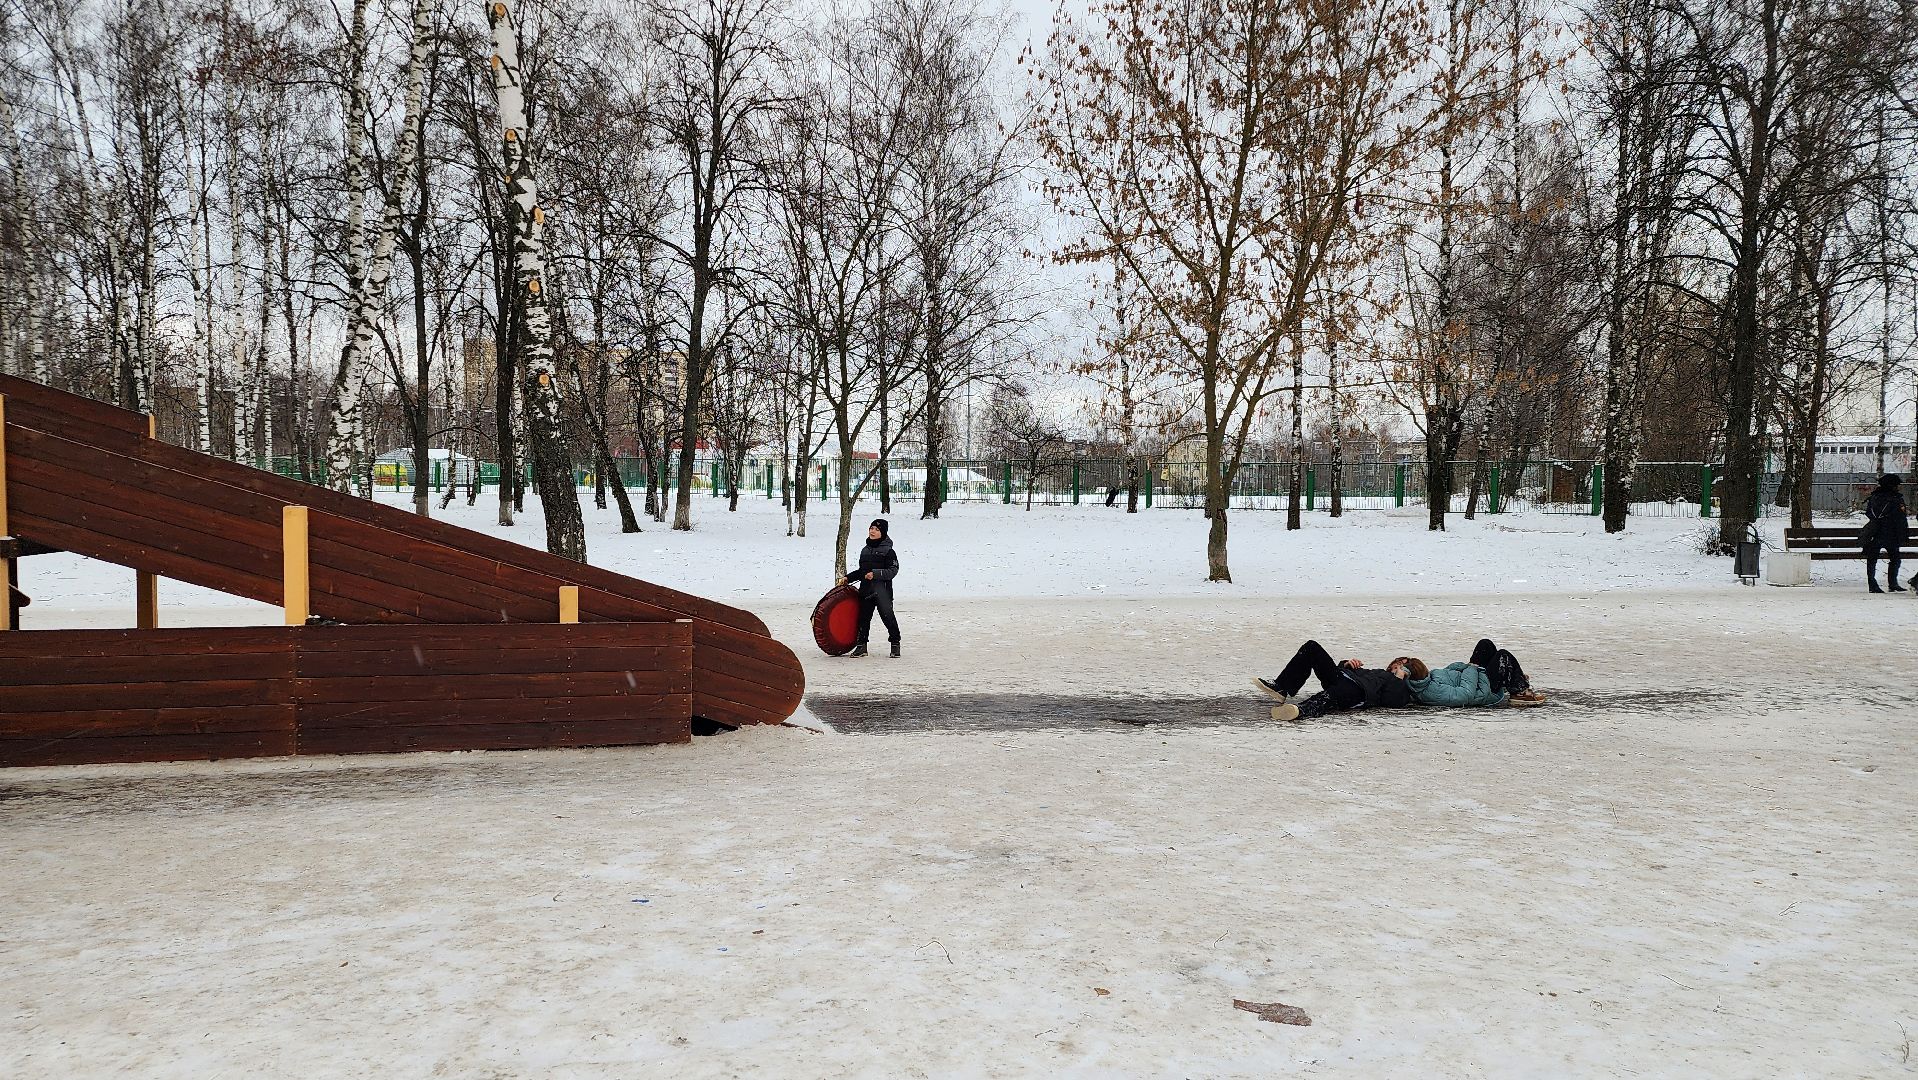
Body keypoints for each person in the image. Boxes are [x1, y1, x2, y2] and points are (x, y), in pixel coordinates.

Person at [1254, 641, 1420, 721]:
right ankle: (1282, 688)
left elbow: (1394, 701)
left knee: (1330, 696)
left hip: (1357, 693)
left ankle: (1300, 710)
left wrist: (1398, 679)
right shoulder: (1377, 672)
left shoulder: (1401, 688)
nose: (1397, 666)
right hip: (1340, 677)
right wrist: (1347, 665)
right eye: (1397, 662)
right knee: (1311, 647)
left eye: (1403, 666)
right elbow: (1352, 672)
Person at [1408, 638, 1546, 708]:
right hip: (1485, 689)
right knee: (1503, 655)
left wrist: (1465, 666)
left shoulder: (1428, 678)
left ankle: (1512, 678)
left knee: (1485, 644)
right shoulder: (1431, 691)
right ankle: (1519, 692)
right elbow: (1465, 694)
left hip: (1477, 678)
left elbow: (1448, 672)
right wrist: (1471, 669)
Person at [840, 518, 901, 657]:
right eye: (871, 528)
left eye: (877, 529)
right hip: (866, 591)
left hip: (882, 592)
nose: (873, 531)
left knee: (888, 619)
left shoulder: (889, 551)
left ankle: (895, 644)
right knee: (863, 619)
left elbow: (893, 571)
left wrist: (875, 574)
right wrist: (848, 578)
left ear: (883, 532)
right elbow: (862, 571)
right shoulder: (865, 550)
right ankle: (861, 646)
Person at [1862, 473, 1911, 594]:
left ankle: (1875, 583)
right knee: (1893, 558)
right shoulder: (1893, 498)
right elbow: (1900, 517)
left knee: (1875, 558)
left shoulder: (1876, 497)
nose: (1898, 487)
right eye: (1897, 485)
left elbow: (1869, 513)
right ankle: (1890, 583)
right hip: (1888, 532)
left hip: (1879, 532)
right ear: (1892, 486)